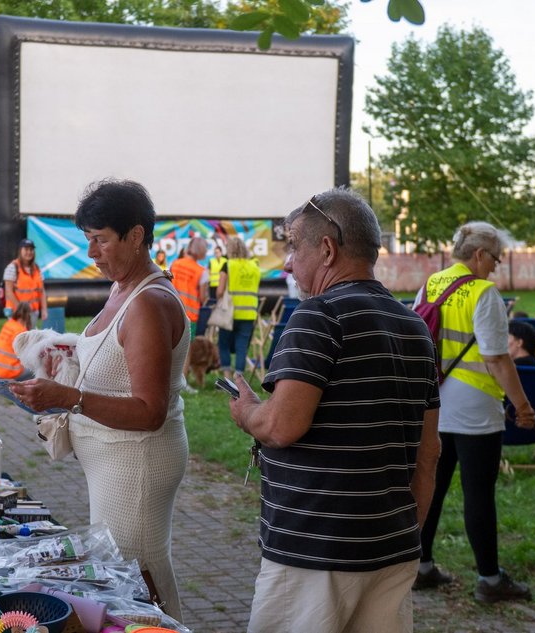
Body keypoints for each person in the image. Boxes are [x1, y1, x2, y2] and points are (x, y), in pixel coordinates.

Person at [228, 189, 441, 633]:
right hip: (393, 550)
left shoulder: (318, 316)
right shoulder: (415, 326)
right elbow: (429, 451)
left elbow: (281, 424)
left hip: (315, 555)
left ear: (326, 250)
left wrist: (248, 411)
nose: (287, 262)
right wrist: (404, 532)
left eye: (292, 246)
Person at [9, 180, 190, 622]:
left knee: (137, 575)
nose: (92, 253)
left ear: (136, 236)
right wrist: (64, 359)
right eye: (87, 240)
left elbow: (150, 411)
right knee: (121, 576)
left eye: (101, 240)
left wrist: (68, 396)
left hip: (137, 466)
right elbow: (116, 368)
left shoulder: (147, 302)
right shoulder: (122, 287)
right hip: (115, 466)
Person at [415, 221, 535, 603]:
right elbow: (497, 357)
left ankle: (421, 566)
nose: (497, 267)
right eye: (496, 259)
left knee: (430, 485)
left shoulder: (430, 284)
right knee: (478, 493)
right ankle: (489, 579)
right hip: (476, 408)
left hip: (435, 401)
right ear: (479, 254)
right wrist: (522, 405)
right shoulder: (484, 293)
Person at [216, 236, 260, 381]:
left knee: (223, 344)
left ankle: (227, 378)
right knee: (242, 346)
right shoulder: (254, 265)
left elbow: (220, 291)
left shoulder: (227, 265)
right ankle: (238, 379)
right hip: (249, 313)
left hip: (229, 312)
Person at [169, 236, 208, 335]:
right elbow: (203, 298)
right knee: (187, 348)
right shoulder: (202, 271)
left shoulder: (175, 264)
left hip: (172, 311)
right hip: (190, 316)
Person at [3, 238, 48, 323]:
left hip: (33, 312)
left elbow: (42, 291)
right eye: (26, 249)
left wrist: (44, 309)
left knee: (30, 335)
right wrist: (21, 309)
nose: (29, 252)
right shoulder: (13, 267)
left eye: (31, 249)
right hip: (17, 312)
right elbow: (8, 291)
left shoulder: (37, 268)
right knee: (18, 335)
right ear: (20, 251)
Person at [0, 302, 34, 380]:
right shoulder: (21, 331)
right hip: (8, 373)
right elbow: (27, 356)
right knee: (36, 369)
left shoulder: (8, 324)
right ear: (28, 315)